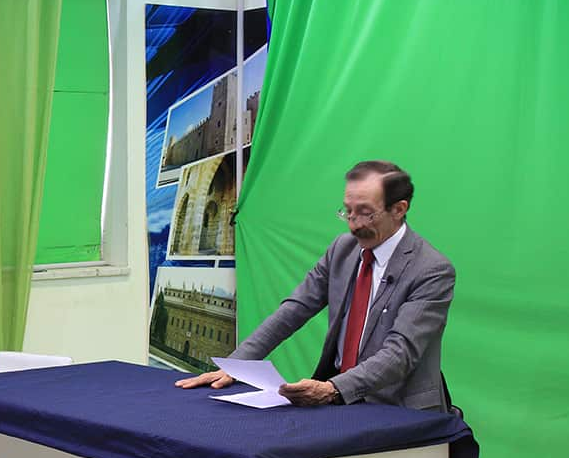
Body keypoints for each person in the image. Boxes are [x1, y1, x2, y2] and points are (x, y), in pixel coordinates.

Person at [176, 160, 456, 411]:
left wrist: (333, 389)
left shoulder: (431, 270)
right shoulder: (342, 250)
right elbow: (295, 309)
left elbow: (400, 354)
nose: (354, 225)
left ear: (399, 209)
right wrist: (239, 365)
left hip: (398, 411)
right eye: (348, 212)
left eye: (366, 213)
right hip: (341, 403)